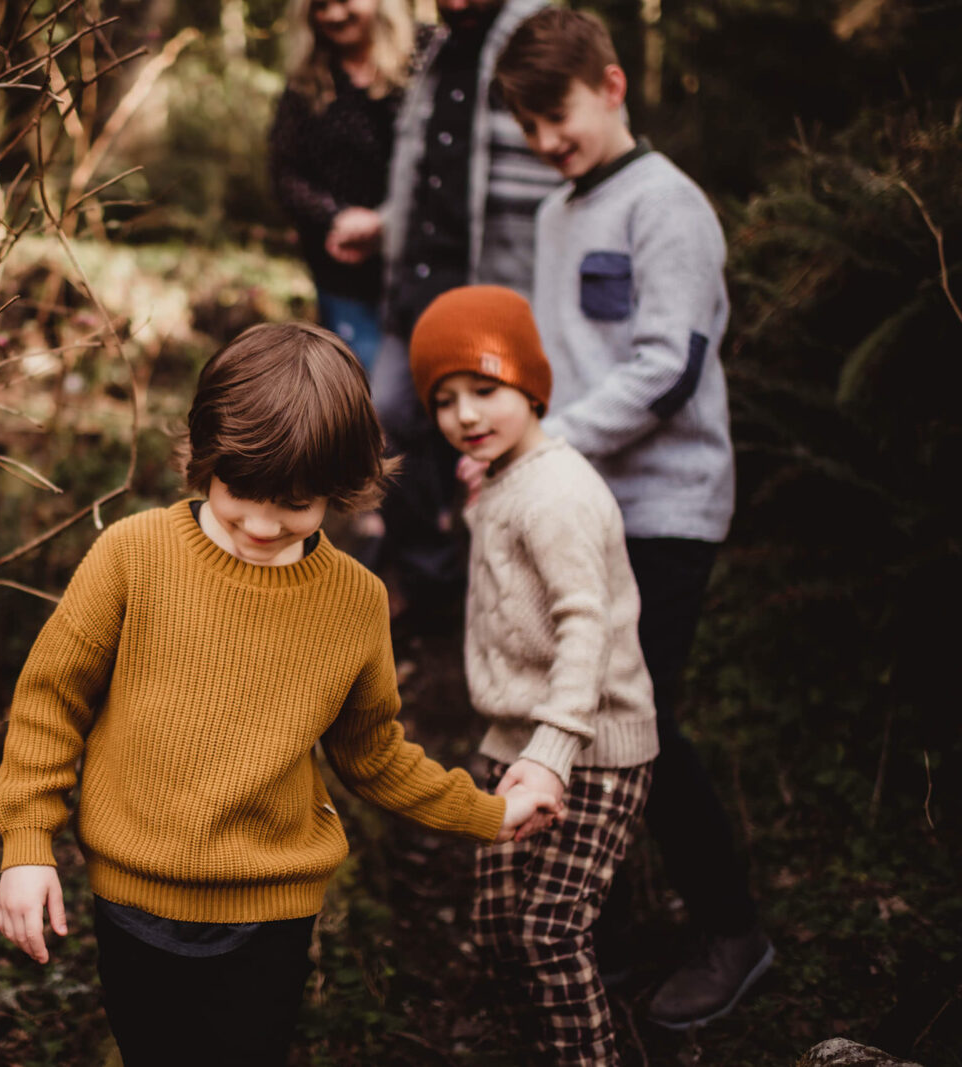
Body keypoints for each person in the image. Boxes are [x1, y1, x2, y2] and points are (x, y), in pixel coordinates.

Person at [0, 321, 556, 1067]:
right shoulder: (133, 557)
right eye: (241, 492)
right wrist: (27, 845)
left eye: (294, 502)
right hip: (131, 899)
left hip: (272, 914)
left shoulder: (354, 602)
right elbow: (49, 705)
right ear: (204, 458)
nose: (262, 523)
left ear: (341, 487)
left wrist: (486, 812)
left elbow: (375, 756)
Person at [494, 7, 773, 1031]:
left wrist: (548, 441)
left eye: (554, 114)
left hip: (666, 509)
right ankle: (599, 925)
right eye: (525, 125)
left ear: (610, 86)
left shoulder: (669, 205)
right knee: (582, 714)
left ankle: (732, 931)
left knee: (640, 726)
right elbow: (558, 353)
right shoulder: (560, 211)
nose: (543, 140)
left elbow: (670, 366)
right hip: (582, 505)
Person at [410, 284, 660, 1066]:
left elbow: (586, 623)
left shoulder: (557, 493)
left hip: (588, 749)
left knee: (548, 931)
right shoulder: (502, 476)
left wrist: (552, 749)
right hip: (515, 737)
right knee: (495, 927)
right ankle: (541, 1041)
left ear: (531, 386)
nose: (465, 415)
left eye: (485, 390)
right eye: (445, 399)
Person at [369, 0, 562, 622]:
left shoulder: (540, 35)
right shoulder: (437, 47)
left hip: (497, 284)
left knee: (499, 442)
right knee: (389, 415)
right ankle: (434, 586)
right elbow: (419, 166)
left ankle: (512, 598)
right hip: (420, 283)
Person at [269, 0, 417, 374]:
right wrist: (338, 218)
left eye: (343, 2)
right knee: (365, 389)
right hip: (344, 274)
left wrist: (385, 222)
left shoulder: (422, 62)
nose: (333, 15)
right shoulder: (307, 83)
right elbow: (285, 173)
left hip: (420, 264)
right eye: (320, 6)